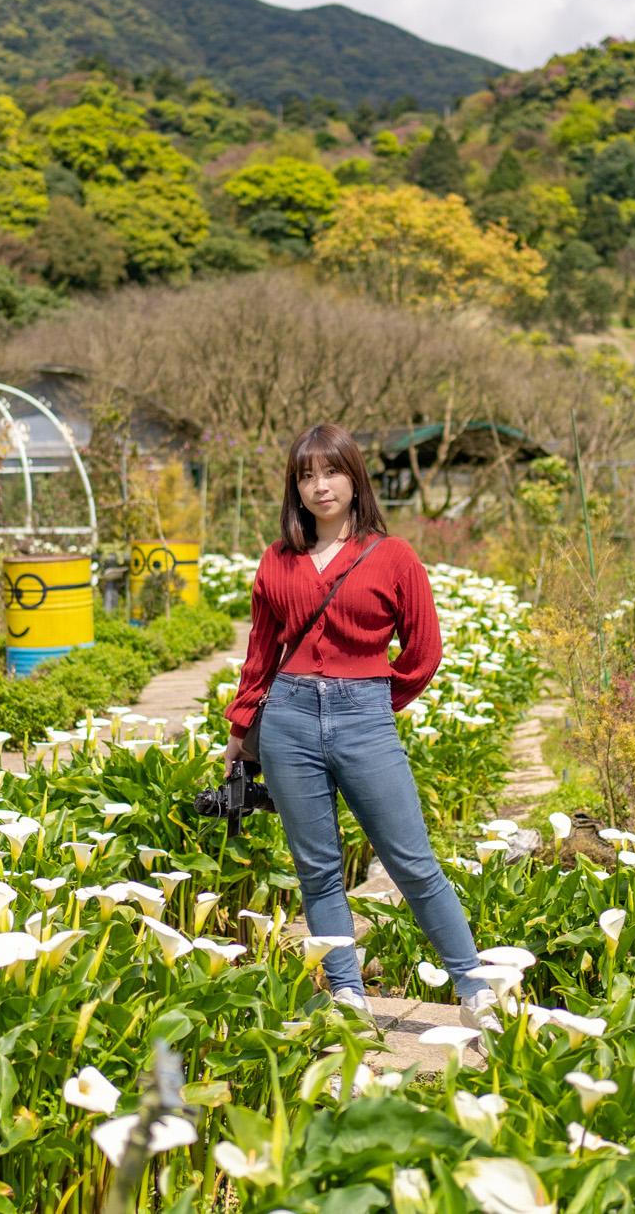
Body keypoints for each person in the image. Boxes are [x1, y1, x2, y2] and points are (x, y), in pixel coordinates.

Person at [221, 422, 497, 1035]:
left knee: (413, 862)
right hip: (288, 720)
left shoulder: (393, 556)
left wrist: (371, 698)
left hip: (365, 722)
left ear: (354, 478)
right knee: (316, 867)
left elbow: (424, 652)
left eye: (332, 472)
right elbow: (261, 652)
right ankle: (347, 991)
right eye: (306, 475)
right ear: (295, 487)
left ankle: (474, 985)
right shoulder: (279, 560)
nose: (320, 486)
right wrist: (241, 730)